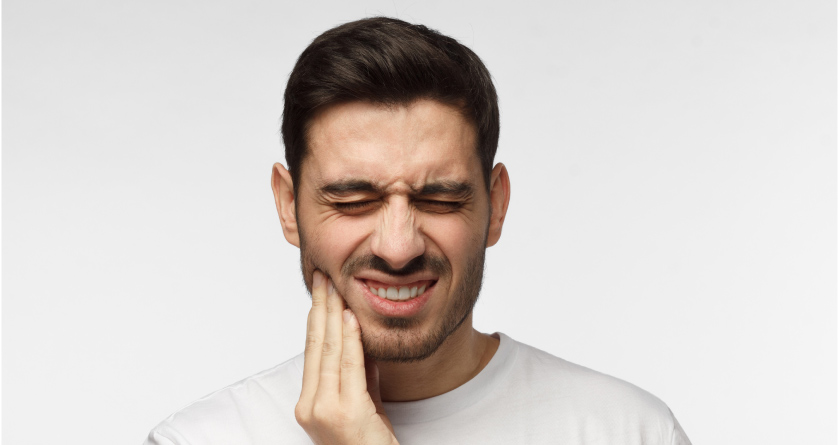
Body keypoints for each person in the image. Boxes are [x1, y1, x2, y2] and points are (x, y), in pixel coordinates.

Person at [144, 17, 691, 445]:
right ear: (288, 206)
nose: (399, 247)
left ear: (495, 205)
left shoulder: (631, 432)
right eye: (354, 201)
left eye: (439, 199)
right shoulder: (197, 440)